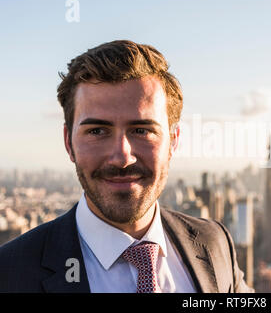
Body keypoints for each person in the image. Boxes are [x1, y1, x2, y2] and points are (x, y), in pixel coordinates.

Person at [0, 40, 253, 293]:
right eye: (97, 130)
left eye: (142, 130)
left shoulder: (214, 244)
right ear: (69, 142)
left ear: (173, 141)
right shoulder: (10, 274)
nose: (122, 157)